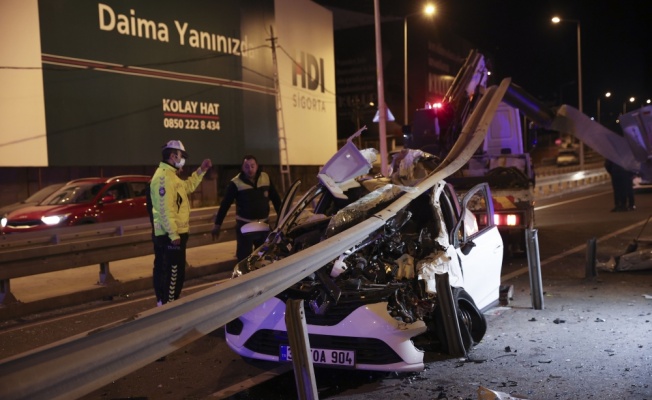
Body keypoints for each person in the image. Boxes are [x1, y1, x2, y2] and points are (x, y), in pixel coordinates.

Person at [150, 140, 212, 306]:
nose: (183, 159)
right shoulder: (163, 178)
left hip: (175, 233)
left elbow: (188, 187)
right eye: (181, 156)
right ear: (173, 156)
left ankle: (169, 303)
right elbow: (164, 210)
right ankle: (166, 307)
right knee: (171, 274)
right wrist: (173, 234)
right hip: (169, 236)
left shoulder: (171, 177)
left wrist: (202, 170)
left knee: (176, 274)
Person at [211, 155, 282, 261]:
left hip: (263, 226)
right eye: (247, 166)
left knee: (264, 258)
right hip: (245, 227)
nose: (250, 169)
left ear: (257, 166)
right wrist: (217, 225)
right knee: (244, 259)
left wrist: (283, 217)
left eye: (252, 166)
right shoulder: (235, 183)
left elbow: (276, 200)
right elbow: (225, 204)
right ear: (242, 168)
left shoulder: (265, 178)